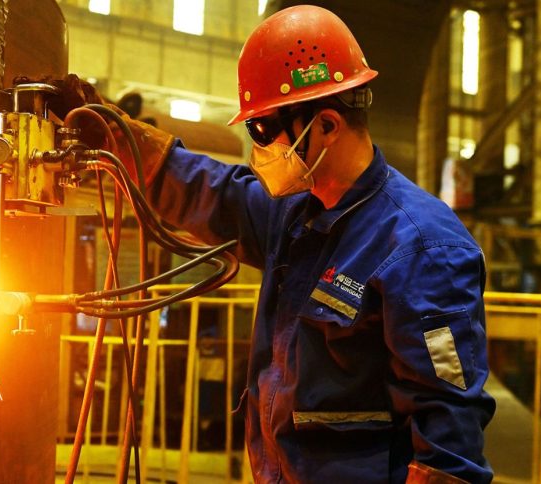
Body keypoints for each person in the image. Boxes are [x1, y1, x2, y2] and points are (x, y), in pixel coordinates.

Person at [56, 4, 494, 483]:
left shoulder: (422, 247)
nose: (258, 148)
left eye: (263, 129)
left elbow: (449, 441)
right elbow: (210, 192)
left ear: (327, 124)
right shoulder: (297, 214)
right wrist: (116, 136)